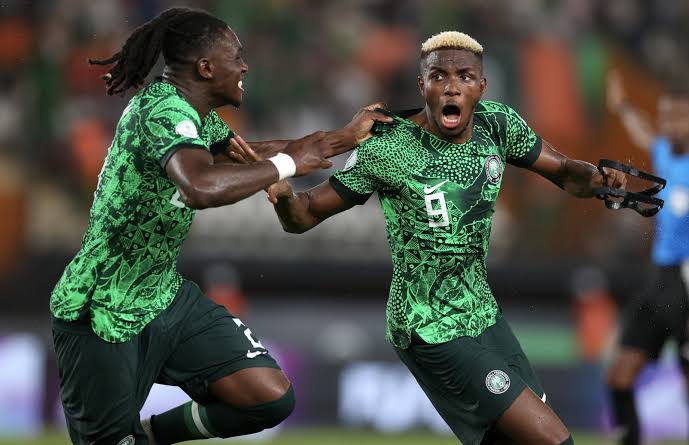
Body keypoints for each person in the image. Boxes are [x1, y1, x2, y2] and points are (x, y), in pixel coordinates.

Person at [256, 31, 629, 445]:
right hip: (428, 325)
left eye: (464, 77)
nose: (451, 87)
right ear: (423, 86)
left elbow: (564, 172)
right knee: (555, 441)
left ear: (481, 87)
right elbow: (305, 216)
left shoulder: (498, 124)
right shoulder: (388, 147)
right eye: (439, 76)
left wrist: (598, 180)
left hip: (482, 313)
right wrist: (286, 199)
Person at [49, 7, 390, 445]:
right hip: (102, 305)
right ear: (206, 67)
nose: (244, 66)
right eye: (237, 56)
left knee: (268, 397)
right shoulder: (160, 111)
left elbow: (254, 154)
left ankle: (151, 434)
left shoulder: (192, 116)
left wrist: (348, 136)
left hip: (161, 295)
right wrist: (286, 165)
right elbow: (199, 187)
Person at [605, 71, 689, 445]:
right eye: (667, 116)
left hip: (687, 283)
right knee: (619, 374)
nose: (671, 125)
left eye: (680, 117)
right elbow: (645, 134)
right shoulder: (665, 154)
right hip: (660, 282)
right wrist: (623, 106)